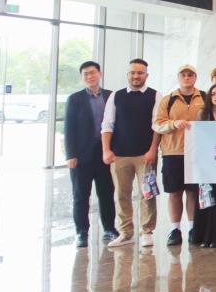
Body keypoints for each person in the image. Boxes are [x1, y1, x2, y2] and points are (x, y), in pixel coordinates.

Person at [101, 59, 159, 249]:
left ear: (146, 75)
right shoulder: (116, 96)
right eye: (133, 72)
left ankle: (147, 231)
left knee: (147, 194)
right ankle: (126, 232)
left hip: (145, 155)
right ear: (128, 75)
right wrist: (106, 149)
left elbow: (157, 126)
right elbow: (107, 124)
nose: (136, 76)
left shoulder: (155, 95)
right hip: (119, 155)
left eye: (140, 73)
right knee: (121, 194)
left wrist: (153, 150)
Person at [64, 60, 116, 248]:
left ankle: (109, 229)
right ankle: (81, 232)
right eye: (85, 74)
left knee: (107, 193)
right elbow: (69, 129)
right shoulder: (74, 99)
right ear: (82, 77)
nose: (90, 76)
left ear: (99, 74)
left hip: (104, 155)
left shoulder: (110, 96)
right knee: (80, 196)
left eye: (92, 72)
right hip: (81, 157)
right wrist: (70, 154)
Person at [153, 64, 206, 246]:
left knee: (192, 192)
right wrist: (173, 124)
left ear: (195, 78)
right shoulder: (168, 100)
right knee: (174, 192)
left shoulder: (204, 97)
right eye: (183, 75)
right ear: (178, 77)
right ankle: (175, 229)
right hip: (172, 152)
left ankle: (192, 228)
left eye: (190, 75)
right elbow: (157, 124)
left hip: (196, 153)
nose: (187, 78)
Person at [188, 84, 216, 248]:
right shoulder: (203, 114)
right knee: (206, 196)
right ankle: (203, 236)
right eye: (213, 93)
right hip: (206, 160)